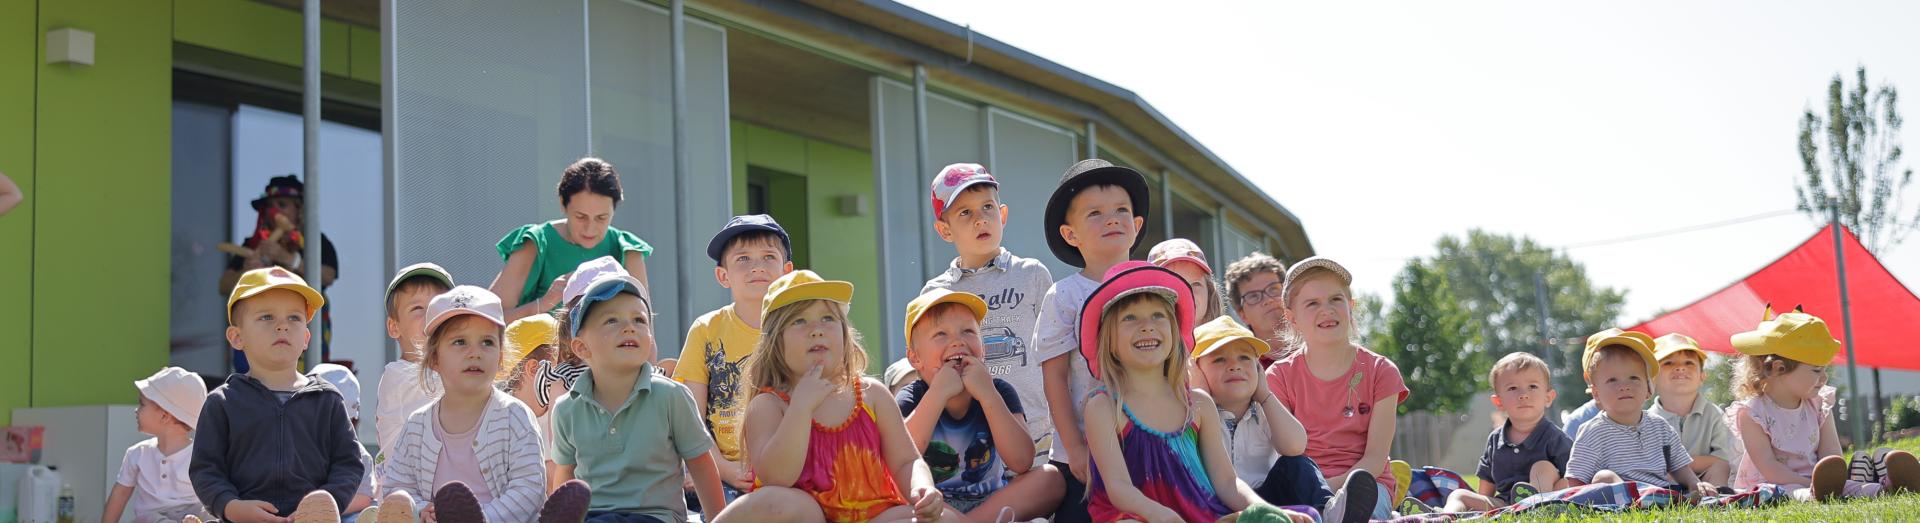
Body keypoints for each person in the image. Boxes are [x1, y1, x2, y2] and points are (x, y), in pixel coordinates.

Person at [1079, 262, 1313, 523]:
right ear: (1109, 341)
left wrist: (1263, 509)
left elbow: (1227, 481)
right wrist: (1163, 516)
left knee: (1287, 518)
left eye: (1158, 315)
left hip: (1202, 514)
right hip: (1137, 516)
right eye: (1130, 318)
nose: (1146, 326)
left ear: (1175, 333)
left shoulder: (1198, 404)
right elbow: (1119, 488)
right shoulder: (1104, 407)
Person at [715, 270, 952, 522]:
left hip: (873, 517)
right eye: (798, 321)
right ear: (775, 342)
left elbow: (906, 461)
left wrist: (922, 486)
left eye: (827, 318)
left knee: (943, 519)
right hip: (806, 518)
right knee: (781, 502)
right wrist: (801, 408)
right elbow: (778, 478)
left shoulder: (873, 395)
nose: (816, 330)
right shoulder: (768, 405)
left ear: (844, 334)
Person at [378, 286, 592, 523]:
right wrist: (421, 509)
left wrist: (483, 518)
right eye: (460, 342)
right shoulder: (417, 425)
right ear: (435, 358)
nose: (474, 353)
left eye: (487, 343)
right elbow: (397, 485)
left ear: (501, 358)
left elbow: (529, 488)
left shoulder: (515, 416)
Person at [550, 272, 726, 522]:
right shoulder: (567, 408)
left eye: (639, 320)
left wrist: (719, 519)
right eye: (611, 320)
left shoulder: (670, 396)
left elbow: (701, 465)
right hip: (593, 515)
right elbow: (565, 476)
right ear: (581, 347)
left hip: (656, 516)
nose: (629, 327)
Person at [192, 267, 363, 522]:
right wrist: (230, 507)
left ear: (306, 338)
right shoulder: (222, 403)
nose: (282, 326)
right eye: (267, 317)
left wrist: (324, 504)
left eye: (294, 318)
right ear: (237, 337)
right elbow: (206, 470)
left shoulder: (327, 400)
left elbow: (348, 465)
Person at [1032, 159, 1150, 523]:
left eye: (1121, 210)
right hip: (1084, 459)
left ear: (1137, 225)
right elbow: (1054, 378)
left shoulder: (1156, 288)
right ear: (1071, 235)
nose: (1112, 219)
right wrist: (1075, 448)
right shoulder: (1064, 295)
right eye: (1095, 213)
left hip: (1150, 450)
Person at [920, 163, 1057, 461]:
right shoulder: (936, 292)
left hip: (1037, 431)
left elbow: (1057, 353)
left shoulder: (1032, 274)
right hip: (969, 438)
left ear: (1002, 214)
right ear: (945, 229)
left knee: (1043, 492)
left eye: (987, 207)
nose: (980, 219)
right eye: (965, 213)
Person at [896, 289, 1064, 521]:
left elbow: (1021, 461)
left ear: (982, 349)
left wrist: (987, 394)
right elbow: (901, 458)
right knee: (896, 500)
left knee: (1051, 478)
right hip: (935, 505)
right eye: (941, 334)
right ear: (915, 358)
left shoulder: (999, 390)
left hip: (992, 501)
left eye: (968, 331)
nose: (957, 341)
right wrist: (938, 394)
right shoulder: (911, 397)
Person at [1725, 311, 1920, 501]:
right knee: (1789, 492)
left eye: (1825, 369)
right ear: (1778, 368)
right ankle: (1820, 492)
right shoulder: (1752, 413)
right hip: (1776, 483)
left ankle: (1889, 487)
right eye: (1817, 370)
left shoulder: (1819, 404)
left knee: (1849, 487)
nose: (1824, 378)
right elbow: (1769, 467)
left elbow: (1831, 455)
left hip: (1822, 480)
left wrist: (1831, 478)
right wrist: (1807, 483)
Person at [1263, 256, 1398, 520]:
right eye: (1312, 303)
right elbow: (1283, 452)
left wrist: (1335, 490)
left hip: (1366, 486)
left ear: (1351, 306)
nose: (1327, 310)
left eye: (1336, 299)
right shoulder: (1278, 377)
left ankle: (1339, 514)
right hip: (1302, 483)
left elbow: (1374, 459)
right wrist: (1319, 491)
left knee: (1360, 503)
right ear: (1292, 318)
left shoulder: (1381, 371)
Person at [672, 214, 796, 500]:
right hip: (723, 470)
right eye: (743, 259)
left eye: (768, 257)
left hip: (792, 466)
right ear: (722, 275)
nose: (757, 267)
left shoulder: (800, 328)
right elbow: (691, 415)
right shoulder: (706, 330)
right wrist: (724, 468)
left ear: (787, 271)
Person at [1188, 316, 1333, 515]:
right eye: (1219, 359)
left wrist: (1265, 395)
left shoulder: (1265, 410)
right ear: (1197, 371)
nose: (1234, 365)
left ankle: (1331, 513)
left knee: (1297, 464)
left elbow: (1295, 446)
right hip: (1215, 505)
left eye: (1245, 358)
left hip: (1268, 500)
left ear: (1258, 368)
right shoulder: (1194, 416)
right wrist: (1200, 394)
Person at [490, 158, 653, 322]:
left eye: (601, 218)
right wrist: (544, 303)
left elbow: (646, 331)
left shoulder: (627, 250)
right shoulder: (537, 243)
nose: (590, 228)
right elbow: (488, 319)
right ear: (562, 203)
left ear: (614, 209)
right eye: (581, 217)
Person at [1562, 329, 1714, 498]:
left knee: (1686, 490)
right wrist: (1576, 501)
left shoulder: (1659, 426)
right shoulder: (1593, 431)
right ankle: (1634, 500)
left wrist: (1695, 483)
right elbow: (1576, 480)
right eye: (1612, 380)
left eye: (1633, 378)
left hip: (1657, 492)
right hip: (1617, 499)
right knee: (1604, 477)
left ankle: (1658, 500)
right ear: (1596, 393)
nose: (1625, 386)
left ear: (1649, 388)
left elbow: (1679, 466)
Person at [218, 175, 340, 371]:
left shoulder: (314, 241)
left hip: (301, 323)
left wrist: (290, 259)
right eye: (270, 206)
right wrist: (246, 270)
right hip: (259, 325)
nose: (274, 212)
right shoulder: (253, 244)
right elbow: (223, 285)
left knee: (304, 383)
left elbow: (328, 275)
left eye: (282, 205)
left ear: (299, 210)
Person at [1440, 352, 1571, 513]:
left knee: (1542, 467)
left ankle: (1534, 507)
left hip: (1548, 499)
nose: (1523, 395)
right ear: (1498, 401)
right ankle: (1445, 516)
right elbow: (1486, 484)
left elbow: (1573, 478)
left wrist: (1557, 493)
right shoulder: (1495, 439)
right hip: (1506, 505)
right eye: (1513, 388)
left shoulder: (1554, 436)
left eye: (1533, 386)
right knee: (1458, 495)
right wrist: (1480, 507)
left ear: (1548, 397)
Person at [104, 367, 212, 523]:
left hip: (191, 512)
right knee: (147, 518)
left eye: (141, 404)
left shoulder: (200, 455)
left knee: (207, 511)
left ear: (164, 416)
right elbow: (119, 495)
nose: (136, 410)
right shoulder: (137, 453)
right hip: (153, 518)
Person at [378, 263, 455, 456]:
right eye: (418, 308)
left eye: (438, 306)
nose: (430, 315)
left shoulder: (449, 374)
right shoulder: (399, 376)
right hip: (408, 485)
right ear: (394, 327)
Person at [1650, 333, 1741, 487]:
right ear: (1653, 377)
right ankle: (1665, 501)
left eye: (1689, 362)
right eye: (1669, 363)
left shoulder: (1715, 415)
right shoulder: (1648, 420)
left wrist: (1679, 466)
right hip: (1664, 483)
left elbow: (1724, 458)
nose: (1680, 367)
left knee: (1721, 467)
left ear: (1702, 376)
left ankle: (1714, 503)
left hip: (1706, 481)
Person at [309, 364, 378, 522]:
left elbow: (364, 496)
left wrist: (328, 512)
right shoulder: (296, 445)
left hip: (344, 513)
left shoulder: (357, 453)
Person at [1221, 253, 1292, 366]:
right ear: (1242, 315)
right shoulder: (1241, 368)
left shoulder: (1320, 344)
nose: (1268, 300)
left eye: (1273, 289)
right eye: (1253, 296)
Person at [1149, 239, 1224, 323]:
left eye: (1195, 284)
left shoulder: (1229, 335)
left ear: (1209, 292)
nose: (1187, 292)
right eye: (1173, 285)